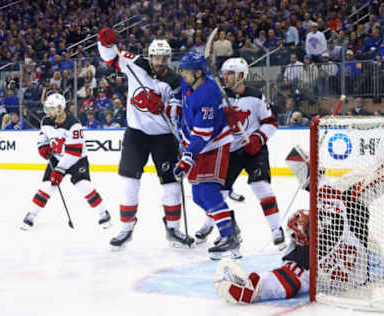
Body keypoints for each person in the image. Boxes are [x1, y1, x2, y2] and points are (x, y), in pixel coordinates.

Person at [214, 133, 384, 304]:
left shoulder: (301, 265)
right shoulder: (337, 216)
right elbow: (329, 193)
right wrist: (312, 174)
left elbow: (263, 288)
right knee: (353, 195)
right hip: (368, 259)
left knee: (351, 195)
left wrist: (240, 286)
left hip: (358, 272)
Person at [97, 28, 194, 248]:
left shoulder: (176, 81)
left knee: (171, 184)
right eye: (156, 57)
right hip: (136, 134)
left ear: (169, 58)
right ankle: (126, 228)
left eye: (164, 58)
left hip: (164, 137)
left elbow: (179, 112)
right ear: (150, 56)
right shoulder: (134, 64)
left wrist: (165, 108)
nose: (160, 62)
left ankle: (173, 229)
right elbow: (110, 56)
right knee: (129, 183)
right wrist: (104, 42)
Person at [195, 57, 286, 251]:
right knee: (219, 193)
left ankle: (276, 229)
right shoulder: (219, 96)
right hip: (229, 150)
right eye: (224, 73)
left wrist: (257, 139)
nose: (225, 77)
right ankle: (208, 225)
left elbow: (271, 123)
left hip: (254, 149)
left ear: (241, 76)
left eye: (230, 73)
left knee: (262, 187)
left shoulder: (255, 96)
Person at [174, 51, 239, 260]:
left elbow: (203, 134)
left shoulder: (209, 94)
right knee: (199, 196)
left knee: (209, 191)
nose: (183, 74)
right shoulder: (190, 83)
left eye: (187, 71)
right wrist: (171, 106)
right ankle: (228, 222)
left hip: (214, 145)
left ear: (199, 73)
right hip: (195, 142)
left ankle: (228, 236)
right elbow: (181, 97)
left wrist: (186, 158)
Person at [20, 93, 111, 230]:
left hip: (77, 161)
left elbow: (74, 153)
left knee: (83, 185)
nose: (47, 111)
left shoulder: (74, 125)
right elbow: (43, 136)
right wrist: (43, 147)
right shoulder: (46, 120)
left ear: (59, 108)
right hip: (57, 158)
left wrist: (59, 170)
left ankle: (103, 213)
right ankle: (31, 215)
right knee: (47, 187)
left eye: (50, 108)